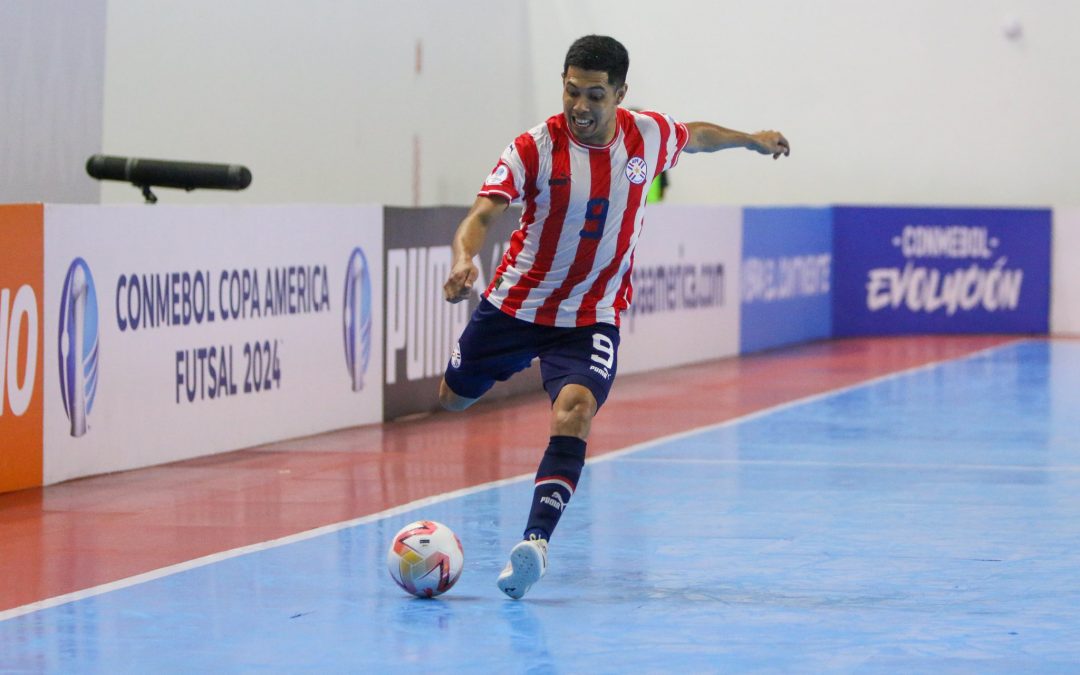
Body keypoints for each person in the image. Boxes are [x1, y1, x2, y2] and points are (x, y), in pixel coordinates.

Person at [439, 34, 789, 599]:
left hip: (591, 315)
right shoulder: (533, 148)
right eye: (571, 91)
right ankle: (482, 386)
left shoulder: (647, 135)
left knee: (575, 409)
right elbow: (483, 213)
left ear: (621, 94)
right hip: (515, 305)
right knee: (453, 399)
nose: (580, 106)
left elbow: (697, 136)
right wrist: (462, 259)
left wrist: (750, 140)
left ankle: (535, 542)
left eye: (595, 95)